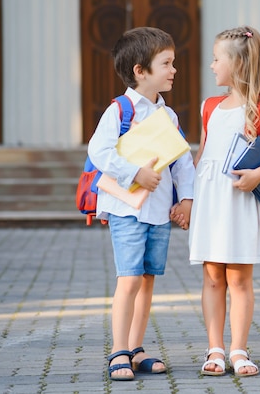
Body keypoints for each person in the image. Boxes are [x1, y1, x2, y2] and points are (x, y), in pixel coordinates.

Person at [172, 26, 260, 377]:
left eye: (216, 59)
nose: (211, 66)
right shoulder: (209, 107)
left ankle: (238, 349)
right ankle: (215, 349)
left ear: (238, 64)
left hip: (240, 205)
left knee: (239, 279)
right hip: (211, 203)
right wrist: (188, 201)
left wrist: (257, 176)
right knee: (212, 278)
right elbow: (202, 157)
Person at [88, 26, 195, 381]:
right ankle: (118, 349)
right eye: (166, 63)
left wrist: (189, 200)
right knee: (129, 279)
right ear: (140, 70)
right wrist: (135, 172)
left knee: (147, 279)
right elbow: (98, 151)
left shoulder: (169, 116)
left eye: (173, 62)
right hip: (126, 210)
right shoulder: (119, 110)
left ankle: (135, 348)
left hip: (159, 213)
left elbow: (183, 161)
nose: (173, 70)